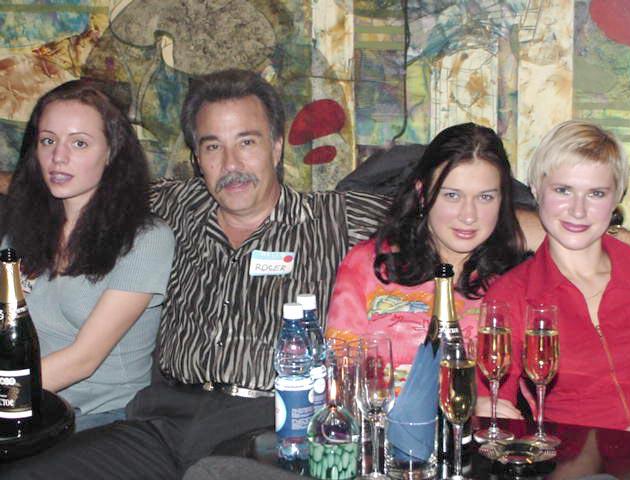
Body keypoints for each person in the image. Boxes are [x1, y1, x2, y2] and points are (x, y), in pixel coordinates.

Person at [1, 69, 390, 479]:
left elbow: (424, 218)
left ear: (276, 147)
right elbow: (88, 181)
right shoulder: (176, 207)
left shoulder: (335, 217)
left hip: (266, 422)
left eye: (247, 142)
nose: (231, 164)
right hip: (161, 421)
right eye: (212, 146)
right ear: (197, 158)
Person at [0, 81, 175, 431]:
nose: (58, 157)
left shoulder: (145, 239)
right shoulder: (22, 228)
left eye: (79, 143)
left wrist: (6, 395)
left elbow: (83, 360)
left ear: (111, 152)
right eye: (48, 141)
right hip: (26, 408)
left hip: (105, 419)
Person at [326, 122, 528, 419]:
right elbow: (339, 378)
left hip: (473, 442)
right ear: (423, 194)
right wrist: (462, 405)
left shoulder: (514, 281)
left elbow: (505, 396)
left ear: (502, 200)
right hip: (378, 437)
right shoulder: (368, 265)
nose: (469, 215)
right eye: (452, 195)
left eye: (485, 197)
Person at [484, 120, 630, 430]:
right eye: (563, 190)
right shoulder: (512, 294)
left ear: (616, 198)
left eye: (596, 193)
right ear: (536, 189)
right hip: (575, 453)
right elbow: (492, 401)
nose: (578, 210)